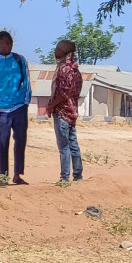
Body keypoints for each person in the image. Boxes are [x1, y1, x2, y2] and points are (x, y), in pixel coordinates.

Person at [0, 31, 31, 186]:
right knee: (2, 143)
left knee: (20, 140)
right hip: (0, 109)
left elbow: (26, 81)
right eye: (5, 43)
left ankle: (17, 175)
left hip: (18, 107)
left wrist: (24, 101)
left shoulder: (19, 60)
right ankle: (3, 178)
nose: (9, 45)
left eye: (10, 43)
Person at [45, 39, 84, 184]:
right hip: (72, 112)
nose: (55, 51)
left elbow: (63, 93)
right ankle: (78, 176)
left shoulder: (63, 69)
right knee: (74, 144)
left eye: (57, 49)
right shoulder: (76, 70)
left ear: (64, 51)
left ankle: (65, 177)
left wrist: (51, 106)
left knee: (64, 146)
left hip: (62, 112)